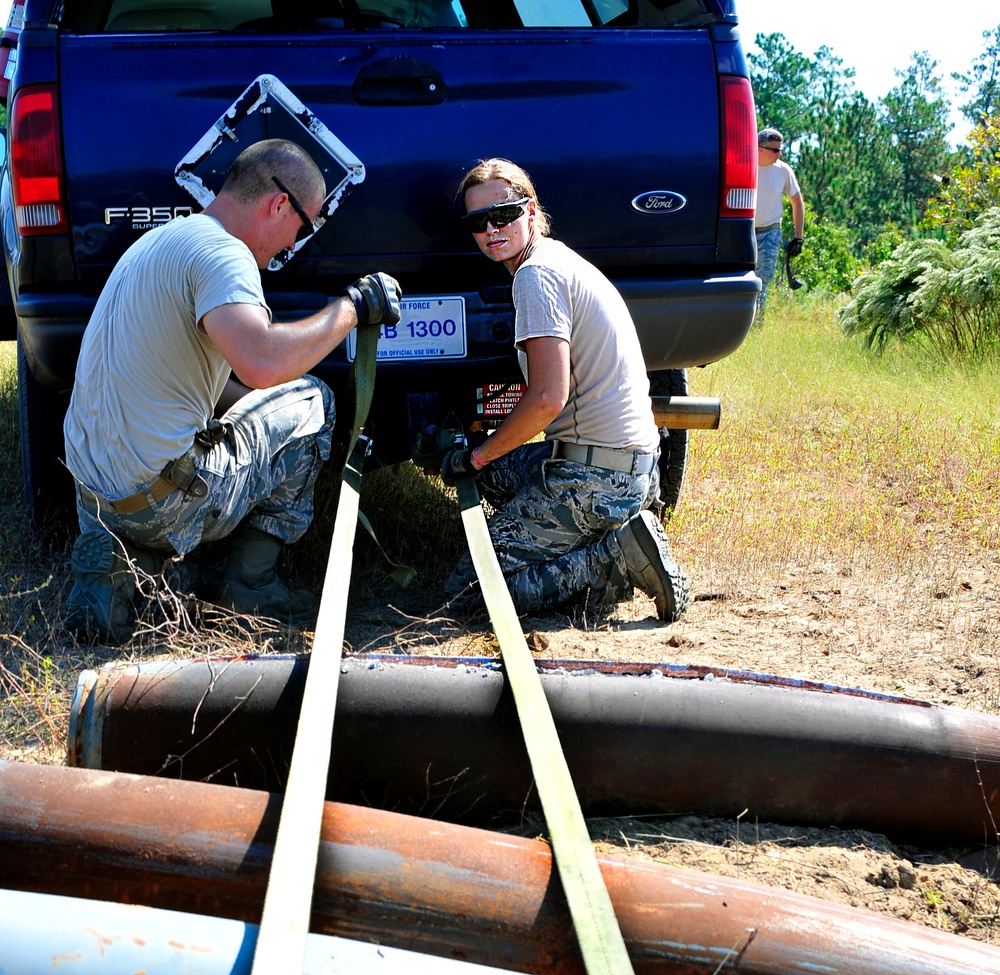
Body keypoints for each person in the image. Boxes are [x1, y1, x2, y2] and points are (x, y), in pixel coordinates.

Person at [63, 138, 401, 643]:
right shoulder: (226, 255)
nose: (292, 246)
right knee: (313, 402)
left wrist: (246, 420)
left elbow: (213, 381)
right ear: (278, 204)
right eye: (301, 228)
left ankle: (127, 564)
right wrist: (353, 308)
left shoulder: (160, 243)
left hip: (94, 498)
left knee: (260, 407)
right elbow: (262, 361)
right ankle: (250, 585)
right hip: (161, 501)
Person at [440, 157, 688, 623]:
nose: (492, 229)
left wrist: (476, 454)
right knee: (491, 476)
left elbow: (547, 398)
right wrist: (482, 459)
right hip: (627, 465)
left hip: (598, 479)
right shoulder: (555, 257)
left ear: (530, 210)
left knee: (469, 595)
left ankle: (615, 554)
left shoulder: (535, 276)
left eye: (504, 214)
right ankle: (592, 542)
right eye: (478, 222)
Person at [753, 128, 805, 320]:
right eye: (775, 150)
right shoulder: (744, 166)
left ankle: (756, 324)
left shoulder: (783, 171)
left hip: (770, 232)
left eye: (780, 150)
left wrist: (798, 238)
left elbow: (797, 202)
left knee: (762, 281)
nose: (779, 154)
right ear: (760, 149)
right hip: (743, 232)